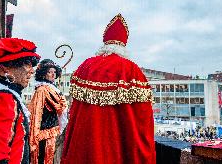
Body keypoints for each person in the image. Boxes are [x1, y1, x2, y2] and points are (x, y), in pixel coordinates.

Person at [61, 14, 156, 164]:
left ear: (105, 41)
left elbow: (73, 111)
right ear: (123, 44)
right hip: (116, 151)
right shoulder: (131, 71)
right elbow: (142, 118)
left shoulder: (86, 67)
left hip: (84, 149)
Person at [29, 59, 68, 164]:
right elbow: (60, 106)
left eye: (54, 72)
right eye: (50, 72)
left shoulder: (50, 88)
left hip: (50, 131)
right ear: (43, 74)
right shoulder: (43, 89)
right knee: (44, 158)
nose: (53, 75)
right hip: (44, 132)